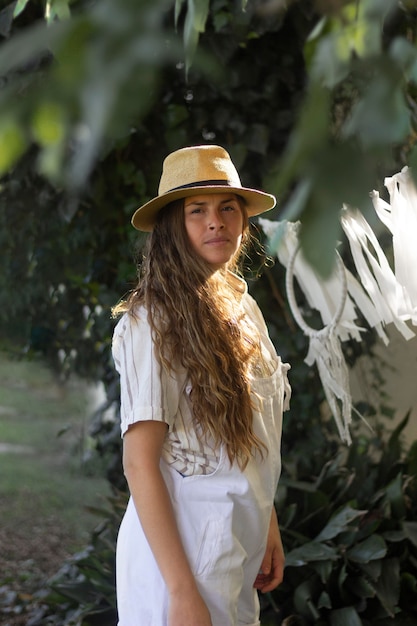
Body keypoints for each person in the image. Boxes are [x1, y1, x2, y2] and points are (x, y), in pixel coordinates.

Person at [111, 144, 291, 626]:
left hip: (236, 547)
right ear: (173, 226)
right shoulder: (152, 321)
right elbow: (138, 460)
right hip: (180, 561)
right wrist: (181, 592)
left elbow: (251, 436)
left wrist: (266, 519)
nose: (216, 221)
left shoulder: (243, 310)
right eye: (197, 211)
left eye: (227, 207)